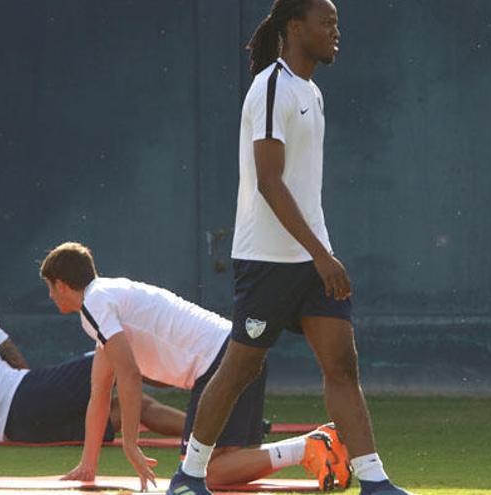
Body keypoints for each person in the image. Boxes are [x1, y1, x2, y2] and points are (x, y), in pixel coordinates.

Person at [166, 1, 415, 495]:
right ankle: (189, 475)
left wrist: (321, 254)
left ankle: (374, 481)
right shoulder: (271, 87)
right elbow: (269, 182)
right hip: (266, 262)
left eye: (337, 23)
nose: (335, 32)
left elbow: (301, 188)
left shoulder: (313, 93)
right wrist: (322, 255)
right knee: (242, 366)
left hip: (310, 260)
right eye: (327, 23)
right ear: (295, 28)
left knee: (342, 364)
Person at [40, 241, 346, 491]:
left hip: (219, 361)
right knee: (227, 465)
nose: (51, 296)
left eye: (51, 288)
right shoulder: (107, 298)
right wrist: (88, 466)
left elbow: (130, 375)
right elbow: (101, 390)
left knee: (203, 473)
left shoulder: (95, 302)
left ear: (63, 285)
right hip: (236, 352)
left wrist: (130, 444)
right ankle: (313, 446)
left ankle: (309, 445)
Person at [0, 275, 184, 444]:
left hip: (14, 433)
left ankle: (205, 435)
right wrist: (38, 389)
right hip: (26, 393)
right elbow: (11, 354)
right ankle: (199, 383)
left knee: (126, 410)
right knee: (118, 356)